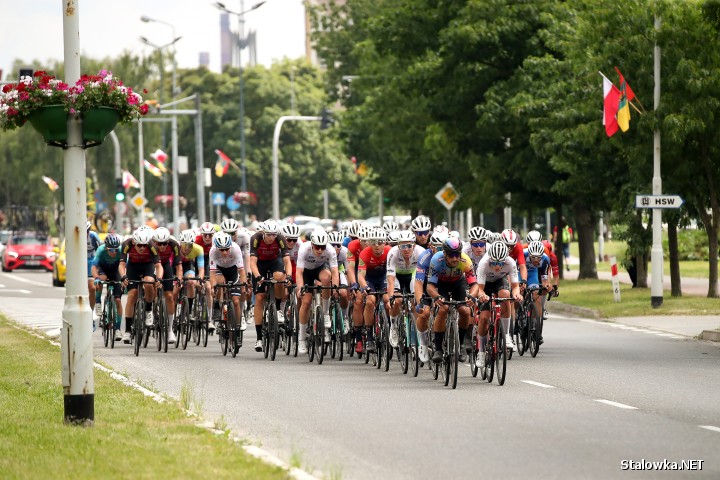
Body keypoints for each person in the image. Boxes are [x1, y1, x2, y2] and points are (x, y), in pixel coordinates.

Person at [425, 237, 477, 363]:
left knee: (465, 310)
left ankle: (461, 343)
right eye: (451, 255)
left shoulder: (465, 261)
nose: (455, 258)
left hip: (458, 283)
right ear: (444, 254)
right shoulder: (437, 260)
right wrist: (436, 297)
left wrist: (471, 297)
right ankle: (438, 348)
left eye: (457, 255)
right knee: (443, 309)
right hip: (441, 284)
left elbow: (474, 285)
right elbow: (430, 286)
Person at [248, 219, 292, 352]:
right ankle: (259, 338)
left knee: (280, 277)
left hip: (274, 261)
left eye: (274, 235)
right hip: (260, 264)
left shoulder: (280, 239)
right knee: (260, 298)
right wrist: (257, 276)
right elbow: (252, 262)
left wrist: (289, 276)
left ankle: (278, 309)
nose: (271, 238)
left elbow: (287, 261)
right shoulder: (256, 238)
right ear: (263, 233)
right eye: (269, 235)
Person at [475, 242, 522, 361]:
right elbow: (479, 289)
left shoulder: (510, 262)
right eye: (494, 263)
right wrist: (482, 295)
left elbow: (516, 286)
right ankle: (481, 352)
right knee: (484, 318)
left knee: (506, 295)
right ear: (489, 258)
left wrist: (516, 294)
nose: (497, 266)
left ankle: (506, 335)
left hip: (500, 281)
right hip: (485, 284)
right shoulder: (483, 263)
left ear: (505, 260)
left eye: (500, 263)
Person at [295, 230, 339, 354]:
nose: (320, 250)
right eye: (317, 247)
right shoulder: (304, 249)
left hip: (320, 268)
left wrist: (335, 287)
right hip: (306, 272)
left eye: (322, 247)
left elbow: (335, 272)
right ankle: (302, 338)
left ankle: (325, 314)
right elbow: (299, 272)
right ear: (312, 245)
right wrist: (300, 288)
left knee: (326, 278)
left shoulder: (330, 250)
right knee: (307, 301)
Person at [119, 229, 163, 344]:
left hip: (147, 266)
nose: (142, 248)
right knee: (132, 295)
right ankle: (128, 331)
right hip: (133, 267)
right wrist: (123, 276)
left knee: (149, 283)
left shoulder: (151, 246)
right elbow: (122, 264)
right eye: (139, 245)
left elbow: (158, 266)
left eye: (144, 245)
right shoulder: (127, 244)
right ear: (134, 242)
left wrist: (159, 278)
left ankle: (148, 309)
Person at [386, 230, 424, 348]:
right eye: (403, 246)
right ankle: (393, 326)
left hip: (413, 276)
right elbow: (391, 279)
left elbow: (421, 279)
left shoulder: (420, 252)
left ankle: (419, 334)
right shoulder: (393, 253)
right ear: (398, 246)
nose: (406, 249)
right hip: (397, 276)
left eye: (409, 246)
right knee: (397, 300)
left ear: (414, 245)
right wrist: (391, 296)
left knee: (416, 302)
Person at [208, 232, 246, 337]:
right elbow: (212, 274)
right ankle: (217, 304)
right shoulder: (213, 251)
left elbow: (242, 272)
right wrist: (213, 287)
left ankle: (238, 326)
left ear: (230, 246)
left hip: (233, 270)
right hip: (220, 269)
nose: (225, 252)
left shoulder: (236, 249)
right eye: (222, 250)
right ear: (217, 248)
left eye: (227, 249)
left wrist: (243, 287)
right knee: (219, 282)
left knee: (236, 301)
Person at [91, 233, 124, 341]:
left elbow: (125, 267)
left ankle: (118, 329)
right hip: (103, 269)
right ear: (106, 248)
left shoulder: (121, 251)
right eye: (110, 250)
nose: (113, 252)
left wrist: (124, 279)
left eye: (115, 250)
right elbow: (94, 266)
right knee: (101, 280)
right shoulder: (101, 250)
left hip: (115, 272)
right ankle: (98, 302)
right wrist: (96, 277)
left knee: (118, 301)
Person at [153, 227, 183, 344]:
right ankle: (152, 307)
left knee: (169, 296)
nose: (162, 247)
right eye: (159, 244)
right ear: (155, 242)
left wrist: (179, 280)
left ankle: (170, 329)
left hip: (165, 265)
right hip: (152, 265)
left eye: (165, 243)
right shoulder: (150, 245)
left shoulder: (174, 244)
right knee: (151, 287)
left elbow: (178, 266)